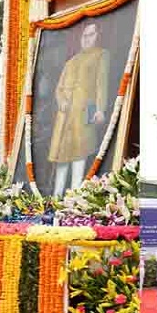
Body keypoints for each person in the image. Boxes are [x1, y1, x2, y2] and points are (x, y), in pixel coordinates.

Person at [49, 22, 109, 196]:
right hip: (65, 116)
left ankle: (74, 199)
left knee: (79, 155)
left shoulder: (101, 55)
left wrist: (100, 109)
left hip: (84, 112)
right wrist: (61, 101)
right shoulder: (71, 61)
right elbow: (59, 88)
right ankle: (55, 198)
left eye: (91, 35)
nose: (86, 39)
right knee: (62, 159)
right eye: (84, 35)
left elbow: (101, 84)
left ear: (98, 36)